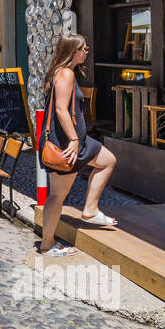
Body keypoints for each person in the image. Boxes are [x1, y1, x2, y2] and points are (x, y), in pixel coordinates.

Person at [38, 33, 120, 256]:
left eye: (87, 48)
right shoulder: (64, 73)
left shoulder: (67, 72)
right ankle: (47, 244)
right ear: (71, 51)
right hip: (66, 144)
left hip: (79, 143)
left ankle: (90, 209)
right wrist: (74, 140)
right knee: (57, 196)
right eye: (82, 48)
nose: (86, 52)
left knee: (107, 161)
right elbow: (60, 110)